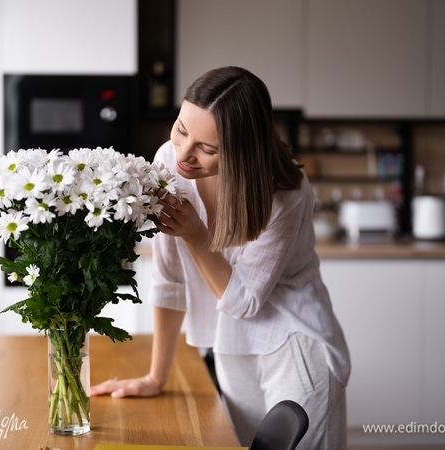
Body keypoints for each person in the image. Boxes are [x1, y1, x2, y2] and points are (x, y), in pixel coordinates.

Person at [91, 66, 351, 449]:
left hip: (294, 343)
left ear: (243, 152)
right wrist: (154, 377)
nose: (184, 154)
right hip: (230, 344)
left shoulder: (284, 194)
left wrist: (196, 234)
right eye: (181, 130)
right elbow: (170, 280)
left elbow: (245, 301)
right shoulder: (169, 164)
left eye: (207, 149)